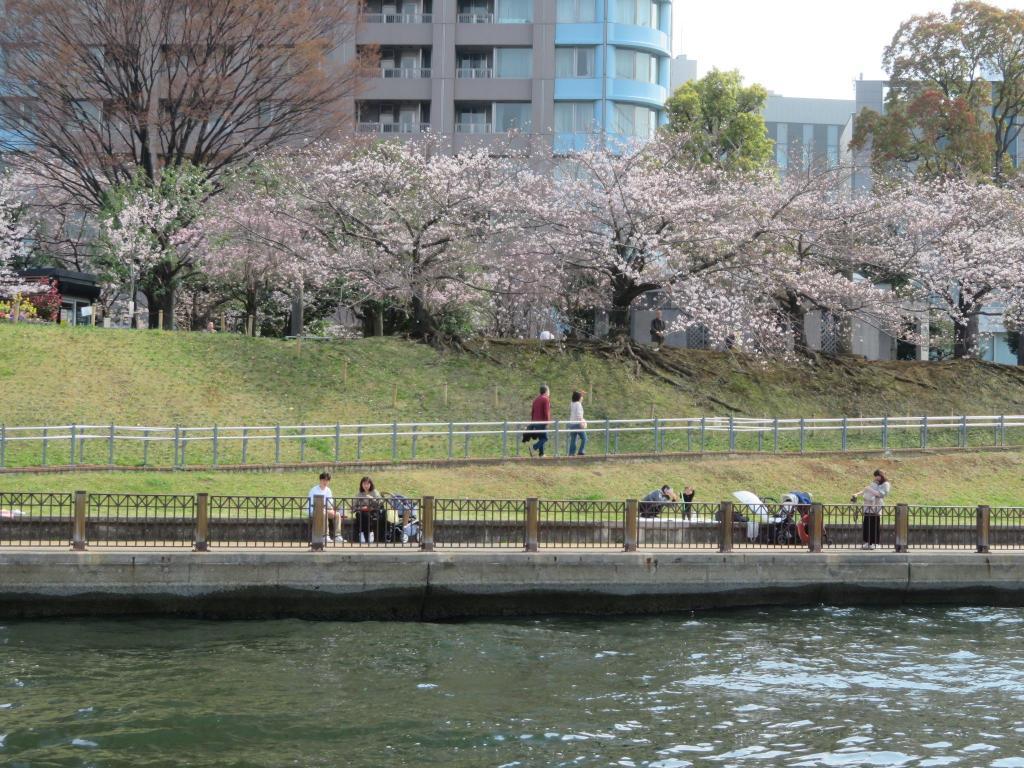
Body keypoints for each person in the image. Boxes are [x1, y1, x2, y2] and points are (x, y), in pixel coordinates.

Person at [852, 469, 891, 550]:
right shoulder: (874, 482)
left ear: (881, 475)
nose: (876, 477)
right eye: (875, 476)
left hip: (876, 508)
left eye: (877, 476)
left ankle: (875, 543)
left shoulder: (886, 484)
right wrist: (857, 494)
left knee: (875, 525)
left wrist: (870, 489)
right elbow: (866, 489)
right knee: (866, 525)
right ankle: (867, 542)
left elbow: (881, 494)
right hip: (868, 506)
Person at [307, 472, 345, 544]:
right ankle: (325, 535)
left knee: (337, 514)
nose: (325, 482)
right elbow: (313, 504)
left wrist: (329, 509)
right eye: (324, 480)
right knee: (324, 513)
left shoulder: (328, 490)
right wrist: (325, 508)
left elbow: (330, 503)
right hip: (314, 511)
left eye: (327, 480)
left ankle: (337, 535)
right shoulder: (314, 490)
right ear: (320, 480)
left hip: (326, 510)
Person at [353, 475, 382, 544]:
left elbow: (380, 502)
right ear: (361, 485)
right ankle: (362, 534)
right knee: (360, 515)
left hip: (373, 511)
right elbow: (354, 506)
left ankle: (370, 533)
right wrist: (361, 508)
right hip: (362, 511)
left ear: (370, 484)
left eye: (367, 484)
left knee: (367, 516)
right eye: (364, 484)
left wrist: (372, 499)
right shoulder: (360, 494)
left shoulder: (374, 492)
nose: (366, 486)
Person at [526, 385, 551, 457]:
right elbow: (546, 412)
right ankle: (533, 447)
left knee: (541, 438)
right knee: (544, 438)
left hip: (535, 422)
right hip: (542, 422)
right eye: (548, 391)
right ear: (546, 391)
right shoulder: (545, 399)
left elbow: (533, 412)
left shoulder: (536, 400)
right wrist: (548, 422)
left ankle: (541, 453)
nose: (549, 393)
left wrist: (532, 422)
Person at [568, 390, 587, 456]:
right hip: (577, 424)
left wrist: (580, 394)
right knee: (585, 438)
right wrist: (582, 421)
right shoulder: (578, 404)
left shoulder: (572, 403)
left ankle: (571, 453)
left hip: (571, 424)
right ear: (578, 398)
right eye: (580, 396)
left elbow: (579, 401)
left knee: (573, 440)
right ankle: (581, 451)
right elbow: (579, 415)